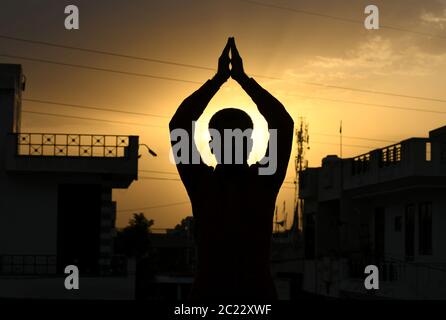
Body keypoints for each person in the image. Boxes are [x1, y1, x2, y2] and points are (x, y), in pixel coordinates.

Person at [169, 37, 294, 300]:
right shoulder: (264, 179)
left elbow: (180, 123)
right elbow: (282, 122)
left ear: (211, 145)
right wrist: (241, 78)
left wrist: (219, 80)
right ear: (251, 143)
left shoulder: (202, 182)